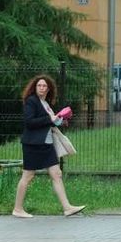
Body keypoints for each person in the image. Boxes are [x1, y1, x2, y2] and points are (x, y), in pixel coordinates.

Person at [12, 74, 85, 219]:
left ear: (48, 89)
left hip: (47, 144)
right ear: (35, 87)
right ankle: (17, 209)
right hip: (33, 144)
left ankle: (67, 208)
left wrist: (59, 121)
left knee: (56, 174)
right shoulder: (31, 101)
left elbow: (48, 123)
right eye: (39, 85)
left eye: (44, 86)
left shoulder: (46, 104)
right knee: (28, 175)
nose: (42, 88)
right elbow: (29, 122)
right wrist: (49, 118)